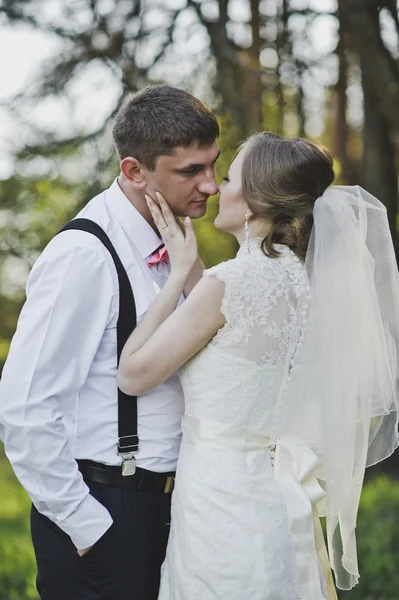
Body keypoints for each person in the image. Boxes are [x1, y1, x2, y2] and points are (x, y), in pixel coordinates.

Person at [117, 132, 399, 600]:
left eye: (227, 178)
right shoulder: (304, 281)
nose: (213, 188)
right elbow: (231, 333)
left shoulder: (228, 284)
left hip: (219, 502)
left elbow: (133, 375)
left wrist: (174, 279)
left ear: (252, 203)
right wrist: (193, 269)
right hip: (273, 494)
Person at [0, 85, 219, 600]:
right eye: (190, 171)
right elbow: (25, 403)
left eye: (213, 164)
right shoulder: (86, 255)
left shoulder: (174, 245)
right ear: (134, 172)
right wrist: (85, 525)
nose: (209, 185)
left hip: (173, 510)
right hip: (106, 510)